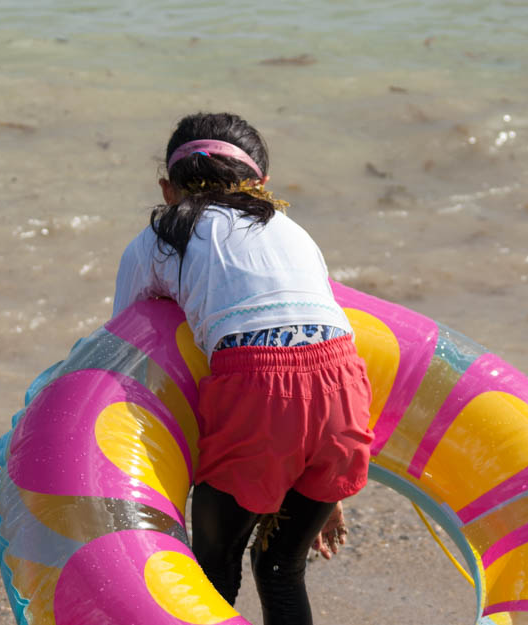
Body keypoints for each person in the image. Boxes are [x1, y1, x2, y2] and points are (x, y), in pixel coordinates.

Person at [111, 111, 374, 625]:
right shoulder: (295, 231)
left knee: (211, 574)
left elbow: (125, 350)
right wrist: (316, 478)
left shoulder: (162, 236)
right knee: (279, 567)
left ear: (168, 189)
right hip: (344, 393)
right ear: (261, 185)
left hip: (260, 398)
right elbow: (312, 326)